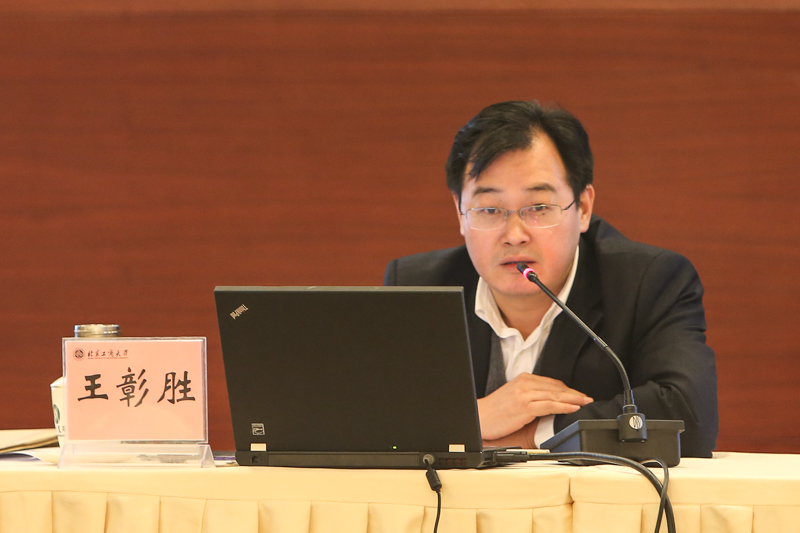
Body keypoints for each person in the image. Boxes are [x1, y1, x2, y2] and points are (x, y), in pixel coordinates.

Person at [383, 101, 718, 457]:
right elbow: (370, 420)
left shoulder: (647, 283)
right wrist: (470, 420)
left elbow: (689, 417)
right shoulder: (419, 288)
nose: (514, 235)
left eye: (539, 208)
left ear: (583, 208)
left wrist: (537, 433)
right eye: (490, 209)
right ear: (460, 213)